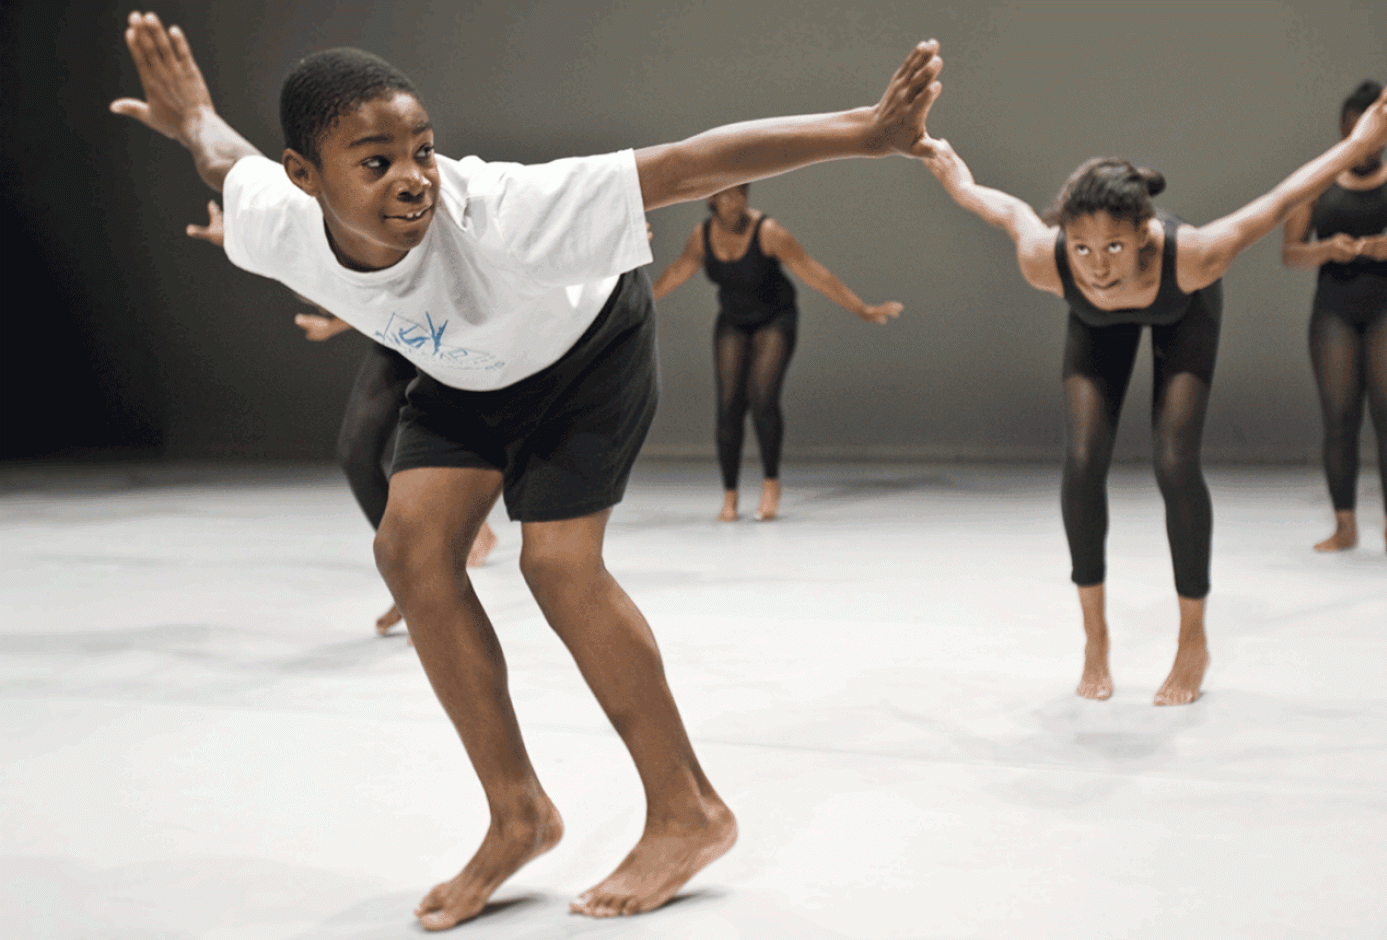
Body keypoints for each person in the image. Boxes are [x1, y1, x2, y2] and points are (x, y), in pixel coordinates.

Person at [111, 10, 942, 923]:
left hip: (584, 346)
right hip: (468, 370)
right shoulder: (274, 221)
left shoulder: (503, 212)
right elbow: (226, 161)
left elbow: (684, 164)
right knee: (410, 550)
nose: (412, 178)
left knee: (558, 565)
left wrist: (867, 132)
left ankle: (689, 811)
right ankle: (519, 815)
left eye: (422, 150)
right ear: (306, 179)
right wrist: (191, 111)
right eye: (375, 160)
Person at [921, 80, 1387, 705]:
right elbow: (1006, 211)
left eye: (1112, 246)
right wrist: (957, 180)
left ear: (1142, 232)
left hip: (1181, 314)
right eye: (1081, 247)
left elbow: (1279, 200)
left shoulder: (1193, 256)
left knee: (1174, 461)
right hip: (1094, 327)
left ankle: (1193, 639)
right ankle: (1095, 638)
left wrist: (1358, 143)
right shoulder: (1046, 261)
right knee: (1082, 464)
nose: (1097, 265)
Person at [186, 200, 497, 635]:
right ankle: (420, 574)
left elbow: (409, 278)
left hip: (453, 334)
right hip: (399, 336)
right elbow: (358, 286)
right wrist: (235, 240)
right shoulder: (318, 227)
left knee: (445, 461)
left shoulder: (388, 206)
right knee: (356, 453)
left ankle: (437, 573)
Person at [651, 184, 902, 521]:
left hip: (775, 318)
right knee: (728, 406)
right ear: (712, 199)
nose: (735, 202)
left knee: (762, 398)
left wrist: (862, 309)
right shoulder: (702, 236)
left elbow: (814, 273)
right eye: (727, 195)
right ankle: (730, 495)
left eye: (741, 194)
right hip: (733, 320)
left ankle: (771, 483)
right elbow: (677, 271)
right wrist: (639, 306)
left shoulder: (768, 232)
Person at [1282, 80, 1387, 559]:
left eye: (1372, 132)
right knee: (1339, 418)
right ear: (1344, 133)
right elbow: (1290, 253)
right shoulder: (1318, 183)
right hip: (1334, 310)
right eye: (1354, 132)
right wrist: (1328, 249)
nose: (1364, 141)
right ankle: (1345, 525)